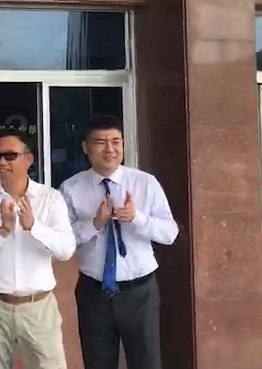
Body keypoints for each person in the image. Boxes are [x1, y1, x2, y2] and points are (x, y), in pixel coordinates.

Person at [60, 115, 179, 369]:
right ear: (85, 147)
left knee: (146, 362)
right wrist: (95, 224)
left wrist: (136, 218)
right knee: (98, 362)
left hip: (140, 292)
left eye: (116, 141)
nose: (110, 149)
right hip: (94, 292)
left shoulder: (145, 183)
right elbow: (63, 242)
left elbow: (170, 233)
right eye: (100, 142)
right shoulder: (71, 188)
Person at [0, 131, 75, 369]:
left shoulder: (50, 199)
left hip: (38, 305)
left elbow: (66, 250)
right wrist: (2, 231)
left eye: (9, 156)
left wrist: (34, 227)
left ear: (29, 160)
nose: (2, 162)